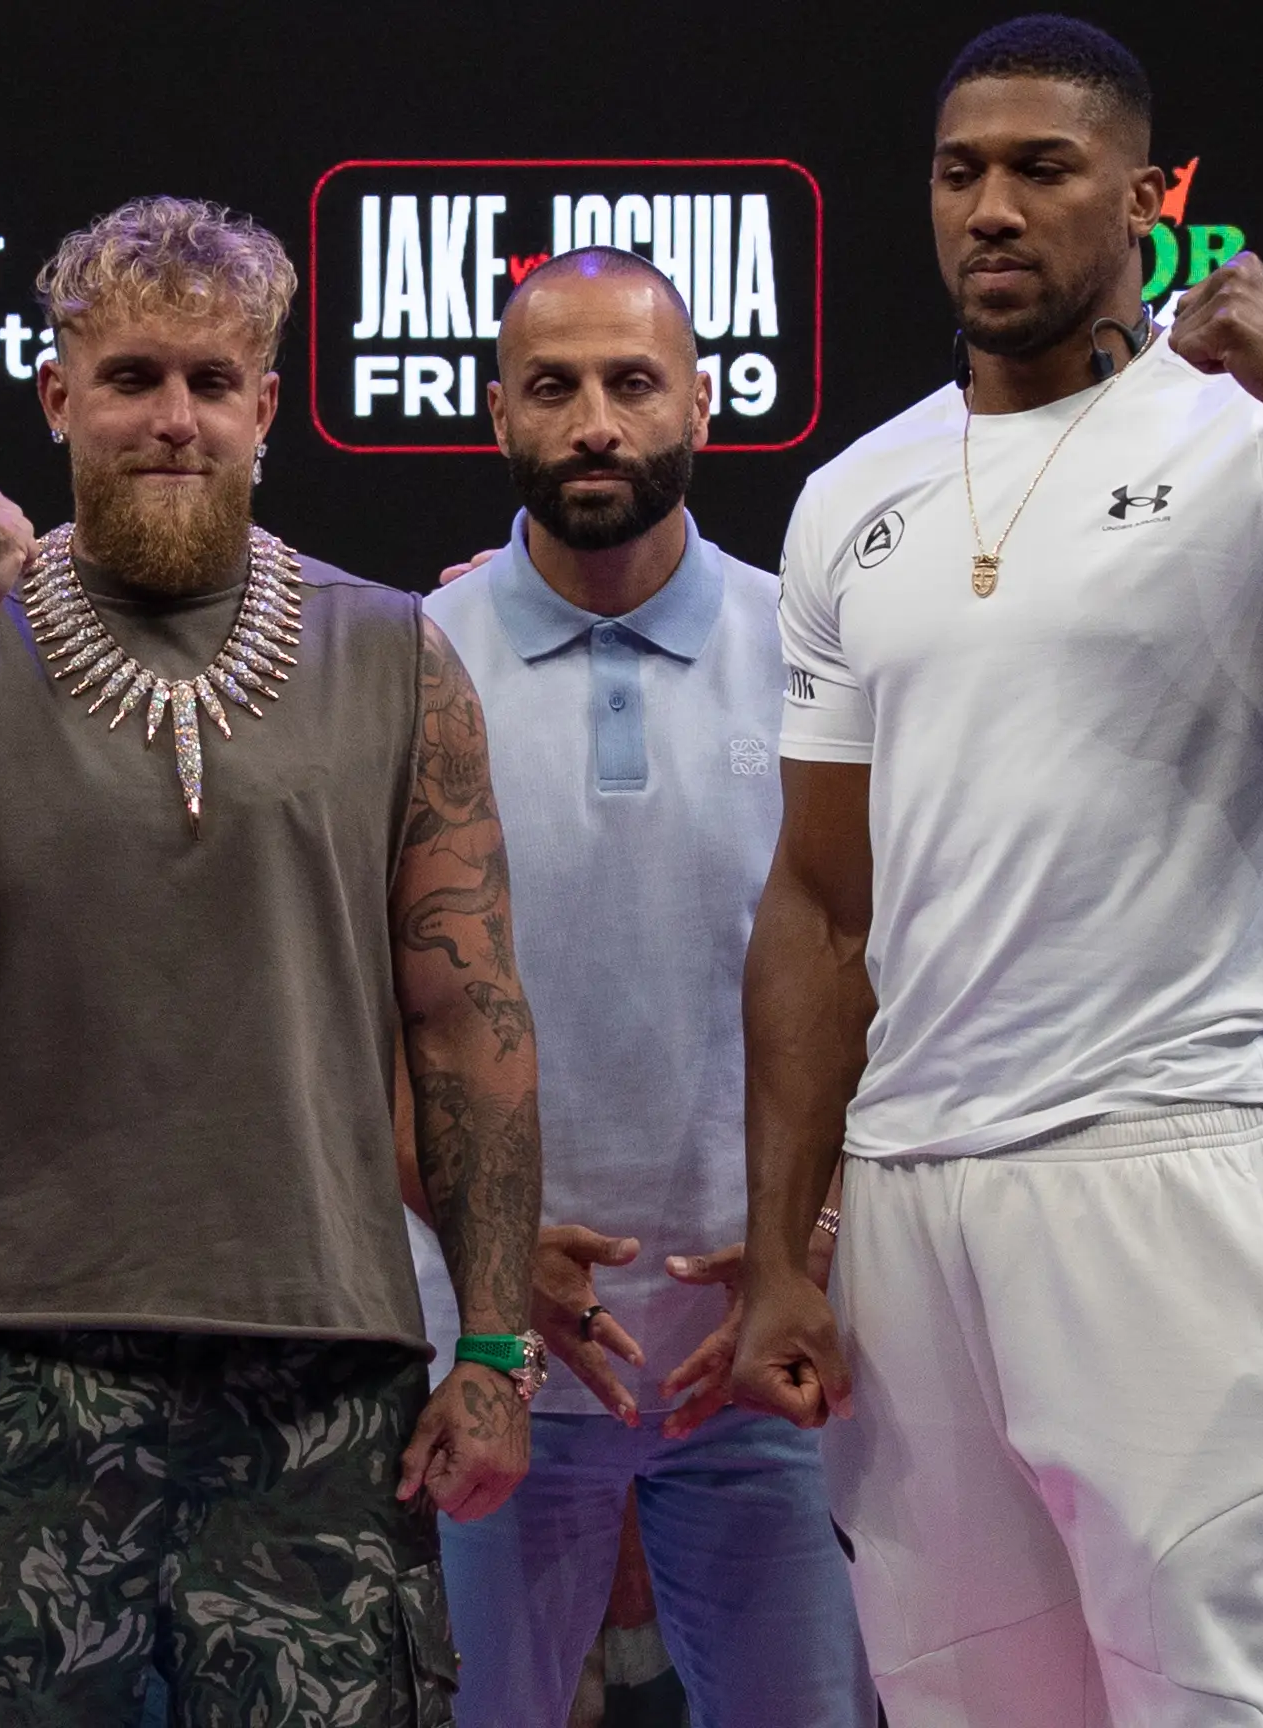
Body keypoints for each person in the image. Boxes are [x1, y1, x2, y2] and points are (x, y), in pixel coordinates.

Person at [728, 17, 1263, 1727]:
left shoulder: (1250, 446)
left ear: (1146, 195)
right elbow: (819, 904)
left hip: (1166, 1162)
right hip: (911, 1192)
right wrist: (781, 1249)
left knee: (1210, 1703)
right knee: (961, 1705)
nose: (994, 209)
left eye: (1044, 168)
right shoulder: (848, 495)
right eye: (962, 173)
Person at [0, 195, 545, 1727]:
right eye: (129, 378)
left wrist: (500, 1344)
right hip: (8, 1365)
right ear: (60, 398)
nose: (170, 417)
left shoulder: (394, 651)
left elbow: (467, 1022)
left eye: (208, 381)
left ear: (266, 406)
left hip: (325, 1377)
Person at [400, 246, 876, 1728]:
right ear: (496, 415)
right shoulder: (407, 662)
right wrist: (479, 1242)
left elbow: (896, 964)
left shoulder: (816, 650)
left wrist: (818, 1234)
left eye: (631, 381)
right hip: (485, 1351)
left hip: (764, 1357)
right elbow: (353, 1011)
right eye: (553, 387)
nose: (595, 419)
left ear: (705, 405)